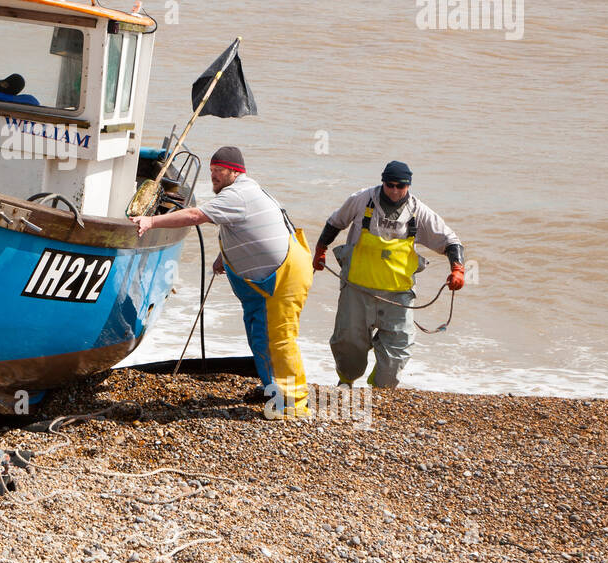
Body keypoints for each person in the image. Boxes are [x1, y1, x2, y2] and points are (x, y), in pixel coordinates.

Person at [131, 146, 313, 419]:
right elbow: (240, 227)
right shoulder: (242, 193)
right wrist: (224, 257)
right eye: (212, 170)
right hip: (265, 279)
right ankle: (271, 389)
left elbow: (195, 216)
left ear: (235, 172)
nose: (214, 176)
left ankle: (293, 406)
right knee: (259, 335)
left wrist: (150, 221)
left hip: (285, 276)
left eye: (220, 171)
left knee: (279, 339)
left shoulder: (238, 194)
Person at [313, 161, 464, 388]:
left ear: (408, 186)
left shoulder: (418, 211)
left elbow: (450, 241)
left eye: (400, 186)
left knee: (398, 351)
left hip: (398, 296)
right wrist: (320, 249)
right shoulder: (362, 199)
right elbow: (335, 222)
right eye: (389, 185)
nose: (394, 191)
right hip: (356, 290)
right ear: (383, 182)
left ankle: (380, 390)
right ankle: (345, 382)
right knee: (348, 344)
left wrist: (458, 269)